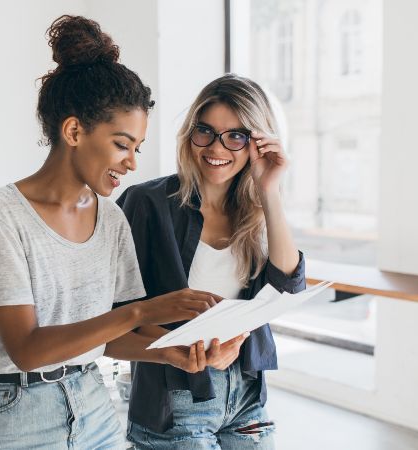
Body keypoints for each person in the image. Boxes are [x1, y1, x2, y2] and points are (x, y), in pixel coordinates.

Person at [0, 15, 241, 449]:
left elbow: (110, 338)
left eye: (138, 149)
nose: (132, 162)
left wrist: (171, 351)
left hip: (92, 400)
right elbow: (28, 350)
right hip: (13, 409)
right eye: (122, 144)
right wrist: (144, 312)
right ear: (74, 130)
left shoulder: (110, 219)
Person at [116, 74, 306, 449]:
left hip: (247, 396)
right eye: (206, 131)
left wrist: (269, 190)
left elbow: (287, 286)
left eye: (236, 136)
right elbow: (116, 316)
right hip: (177, 398)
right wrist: (188, 350)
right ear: (190, 134)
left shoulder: (256, 211)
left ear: (256, 143)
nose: (217, 147)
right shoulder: (146, 203)